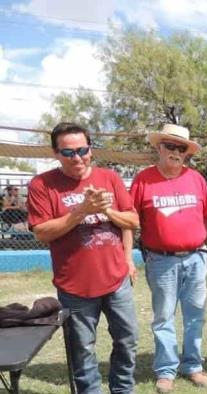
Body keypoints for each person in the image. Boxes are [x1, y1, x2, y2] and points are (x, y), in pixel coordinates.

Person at [27, 122, 139, 393]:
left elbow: (132, 220)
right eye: (68, 153)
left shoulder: (109, 177)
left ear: (90, 148)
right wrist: (81, 211)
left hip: (116, 280)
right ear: (56, 153)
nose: (77, 157)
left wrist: (126, 256)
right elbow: (42, 232)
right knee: (83, 349)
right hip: (74, 286)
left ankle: (123, 389)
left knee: (127, 340)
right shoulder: (42, 185)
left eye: (82, 150)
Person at [130, 124, 207, 393]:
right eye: (170, 146)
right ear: (159, 148)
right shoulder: (143, 180)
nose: (176, 152)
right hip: (161, 260)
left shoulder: (197, 179)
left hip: (196, 257)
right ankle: (166, 370)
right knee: (163, 316)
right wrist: (128, 256)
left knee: (195, 315)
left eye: (182, 148)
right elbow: (131, 221)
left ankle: (193, 365)